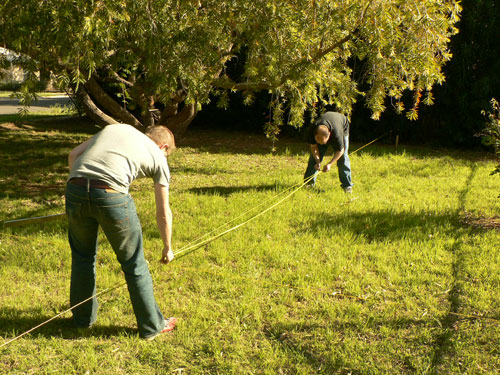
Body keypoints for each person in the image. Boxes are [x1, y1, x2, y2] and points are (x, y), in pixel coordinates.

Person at [65, 123, 177, 340]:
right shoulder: (158, 156)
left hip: (75, 187)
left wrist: (82, 194)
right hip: (111, 195)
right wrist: (167, 247)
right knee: (134, 263)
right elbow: (163, 212)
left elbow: (74, 154)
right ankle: (152, 326)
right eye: (167, 153)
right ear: (163, 146)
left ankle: (82, 320)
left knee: (82, 258)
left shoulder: (117, 128)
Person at [304, 111, 353, 192]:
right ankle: (309, 184)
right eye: (319, 142)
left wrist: (330, 164)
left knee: (343, 158)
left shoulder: (337, 134)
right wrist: (318, 161)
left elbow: (340, 151)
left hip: (342, 124)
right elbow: (314, 147)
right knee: (313, 159)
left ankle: (347, 186)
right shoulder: (312, 130)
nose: (321, 144)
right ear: (315, 136)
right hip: (329, 122)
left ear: (329, 135)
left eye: (323, 143)